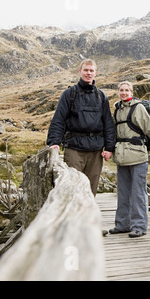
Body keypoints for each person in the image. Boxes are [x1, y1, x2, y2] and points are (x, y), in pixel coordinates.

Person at [110, 81, 150, 238]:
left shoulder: (138, 108)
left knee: (138, 193)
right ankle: (122, 224)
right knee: (123, 192)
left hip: (138, 156)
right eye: (121, 90)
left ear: (131, 92)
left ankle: (139, 226)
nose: (124, 92)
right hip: (122, 157)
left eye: (127, 90)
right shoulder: (117, 109)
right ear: (118, 92)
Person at [46, 59, 115, 197]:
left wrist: (109, 148)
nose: (88, 73)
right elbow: (59, 120)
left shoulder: (101, 96)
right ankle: (72, 219)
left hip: (95, 150)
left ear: (95, 73)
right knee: (72, 189)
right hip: (74, 148)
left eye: (91, 71)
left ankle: (88, 219)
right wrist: (54, 142)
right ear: (80, 71)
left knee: (91, 189)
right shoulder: (69, 94)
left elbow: (108, 123)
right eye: (86, 70)